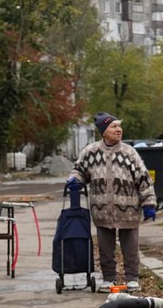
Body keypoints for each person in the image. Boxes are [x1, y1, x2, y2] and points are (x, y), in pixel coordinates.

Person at [67, 112, 157, 291]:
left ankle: (132, 278)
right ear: (103, 132)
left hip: (128, 209)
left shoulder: (129, 153)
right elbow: (79, 170)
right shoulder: (91, 152)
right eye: (113, 127)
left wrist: (149, 203)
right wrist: (74, 180)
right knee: (105, 248)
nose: (118, 130)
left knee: (130, 247)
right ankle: (109, 278)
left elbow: (144, 179)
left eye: (119, 126)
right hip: (101, 210)